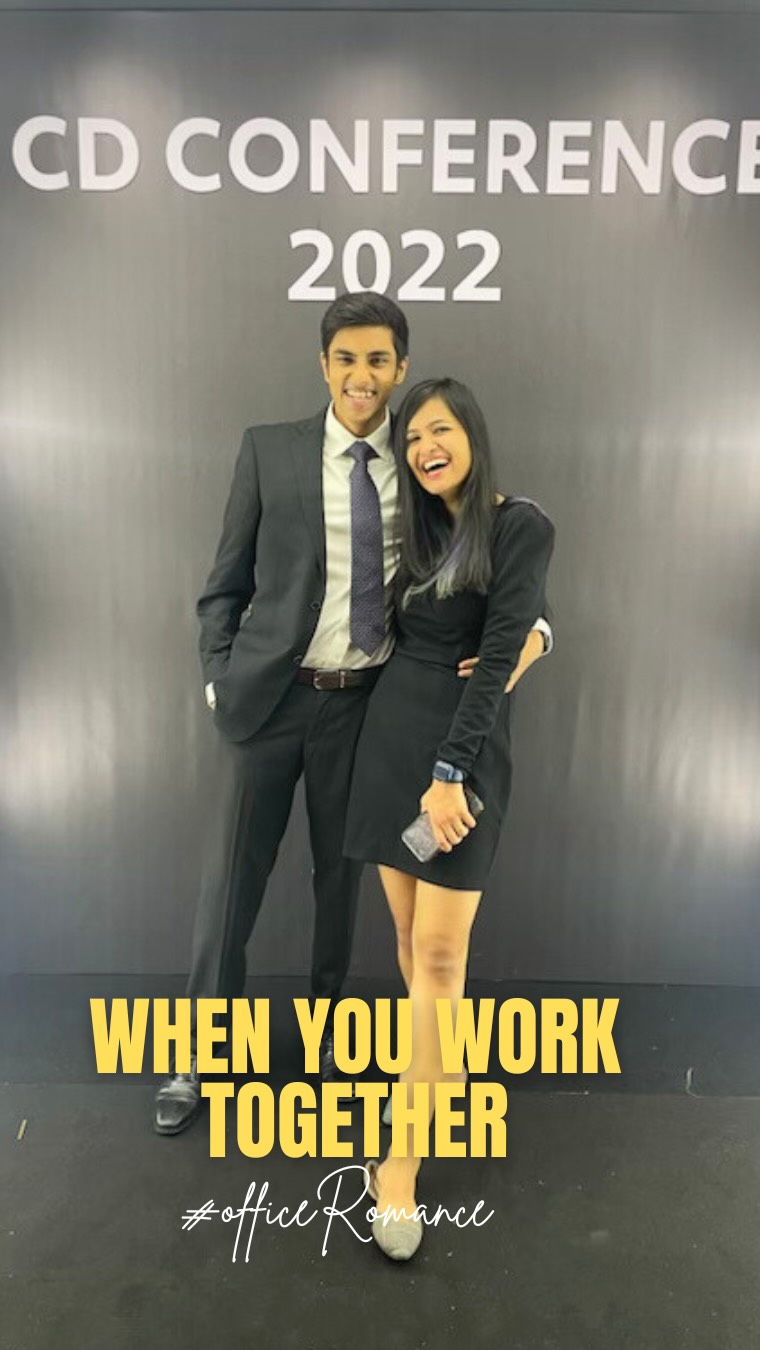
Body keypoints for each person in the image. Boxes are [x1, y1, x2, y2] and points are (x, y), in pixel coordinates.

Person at [154, 295, 552, 1135]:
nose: (361, 376)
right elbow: (223, 586)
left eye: (378, 360)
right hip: (266, 704)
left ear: (400, 368)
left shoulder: (422, 463)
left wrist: (537, 635)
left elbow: (499, 564)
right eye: (346, 359)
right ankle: (198, 1053)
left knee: (338, 885)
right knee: (230, 884)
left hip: (366, 708)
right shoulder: (268, 450)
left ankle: (330, 1038)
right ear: (324, 365)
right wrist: (219, 680)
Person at [344, 377, 555, 1259]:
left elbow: (504, 646)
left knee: (438, 957)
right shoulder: (417, 529)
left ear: (472, 431)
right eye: (413, 438)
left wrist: (449, 775)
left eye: (440, 430)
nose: (426, 447)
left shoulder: (520, 524)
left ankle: (398, 1165)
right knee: (408, 942)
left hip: (458, 759)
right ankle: (440, 1064)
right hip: (390, 743)